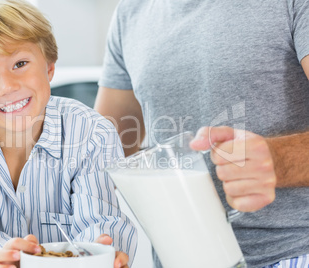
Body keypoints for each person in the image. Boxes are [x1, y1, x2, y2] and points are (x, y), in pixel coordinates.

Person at [94, 0, 309, 268]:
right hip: (180, 259)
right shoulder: (130, 12)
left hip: (291, 253)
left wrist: (279, 159)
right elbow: (100, 156)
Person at [0, 0, 137, 267]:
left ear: (49, 67)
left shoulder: (91, 133)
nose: (6, 87)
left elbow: (100, 221)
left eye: (20, 63)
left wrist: (98, 252)